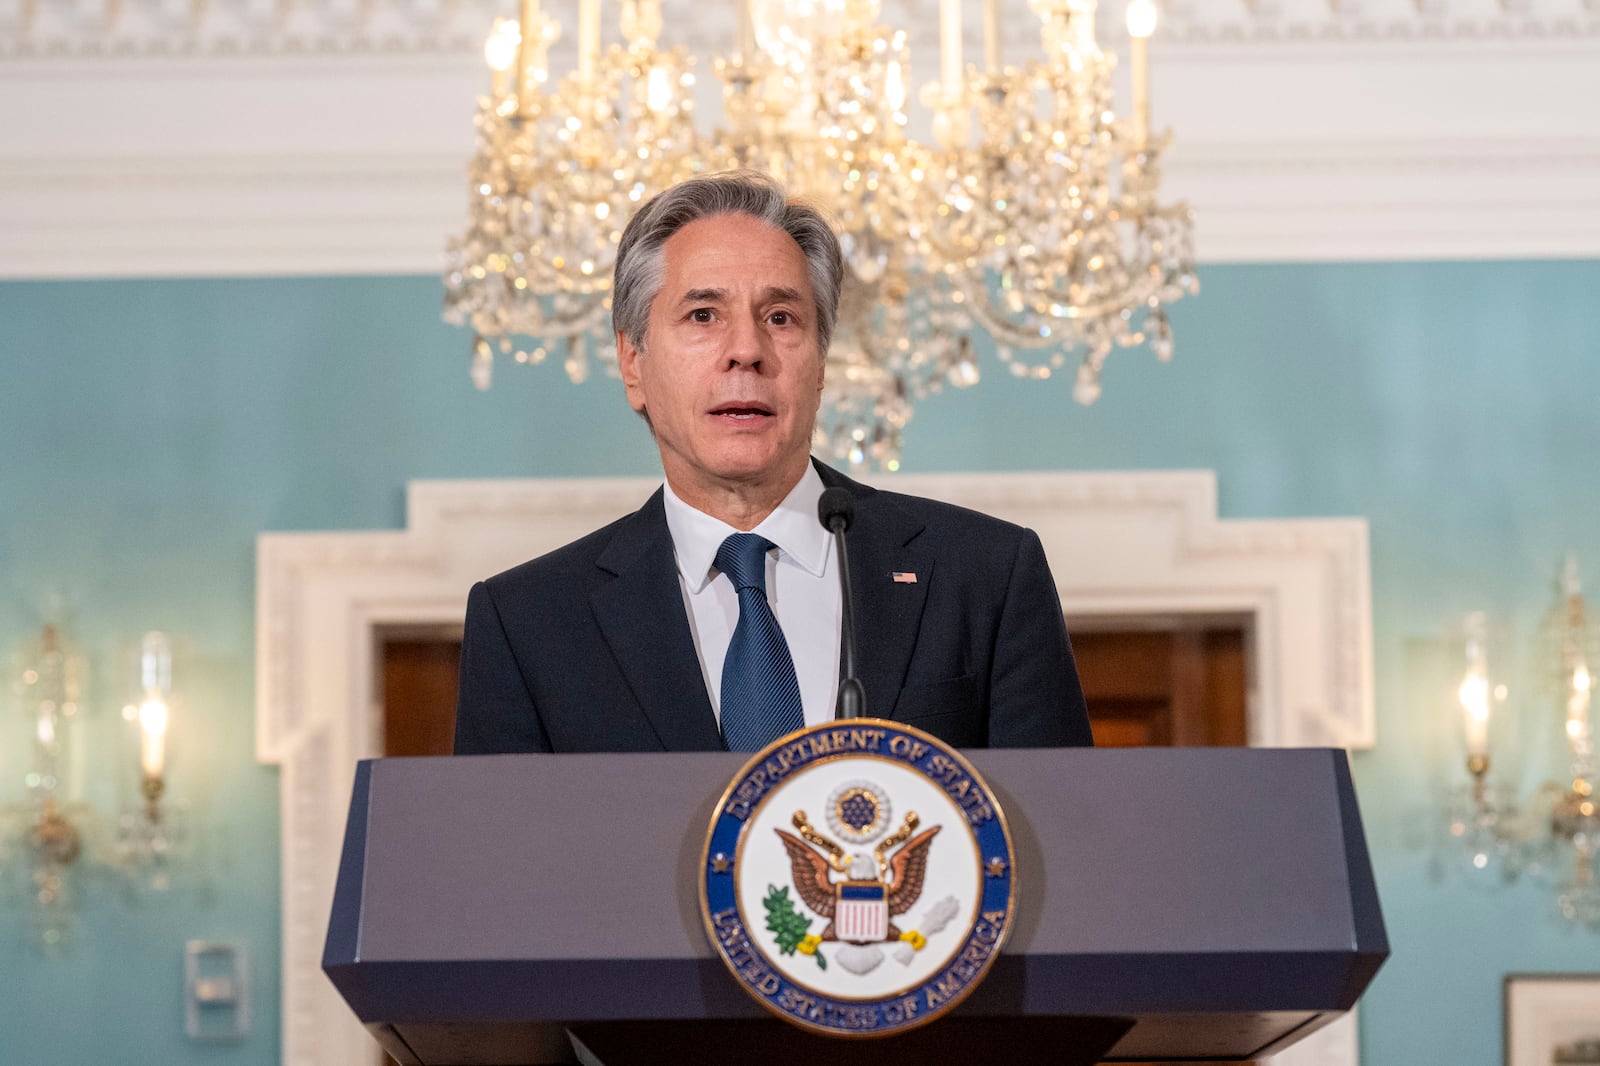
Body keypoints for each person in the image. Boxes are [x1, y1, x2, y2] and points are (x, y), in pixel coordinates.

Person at [453, 172, 1093, 755]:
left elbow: (1064, 844)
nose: (746, 351)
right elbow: (499, 872)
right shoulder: (527, 623)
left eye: (781, 317)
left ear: (821, 363)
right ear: (632, 363)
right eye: (703, 315)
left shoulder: (984, 576)